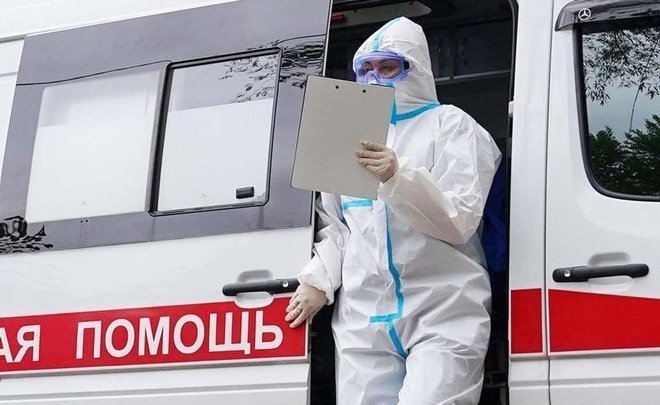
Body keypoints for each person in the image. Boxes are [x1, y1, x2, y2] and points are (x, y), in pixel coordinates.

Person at [285, 16, 501, 404]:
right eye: (366, 69)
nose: (376, 78)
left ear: (415, 70)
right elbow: (338, 225)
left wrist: (399, 179)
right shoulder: (347, 138)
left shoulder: (452, 127)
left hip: (443, 309)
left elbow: (459, 219)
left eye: (389, 67)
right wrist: (318, 280)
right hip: (363, 317)